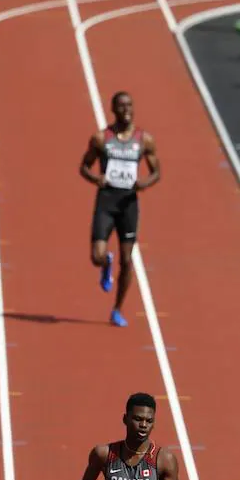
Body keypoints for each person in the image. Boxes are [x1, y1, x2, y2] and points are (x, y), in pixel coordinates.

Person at [79, 92, 160, 327]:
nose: (126, 109)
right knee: (96, 256)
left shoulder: (144, 140)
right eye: (121, 106)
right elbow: (83, 166)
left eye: (129, 105)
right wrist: (96, 179)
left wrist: (144, 183)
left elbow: (157, 172)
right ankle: (105, 264)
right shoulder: (100, 139)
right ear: (113, 109)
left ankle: (117, 309)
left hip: (128, 204)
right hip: (106, 202)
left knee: (127, 260)